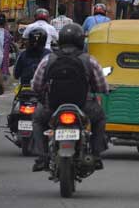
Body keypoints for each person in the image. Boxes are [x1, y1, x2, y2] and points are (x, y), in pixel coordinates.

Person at [30, 24, 109, 171]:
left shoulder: (49, 59)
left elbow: (36, 85)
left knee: (37, 120)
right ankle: (96, 156)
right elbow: (102, 87)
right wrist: (102, 90)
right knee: (100, 118)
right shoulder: (89, 60)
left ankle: (41, 157)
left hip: (52, 106)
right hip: (83, 106)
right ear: (80, 41)